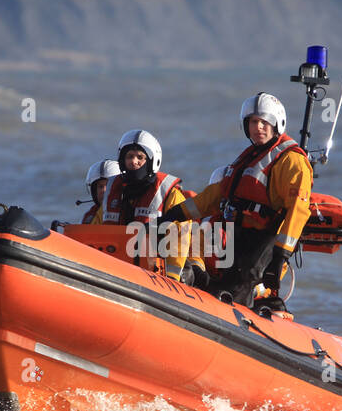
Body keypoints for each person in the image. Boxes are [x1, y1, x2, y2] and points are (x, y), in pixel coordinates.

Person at [162, 92, 313, 310]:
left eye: (263, 122)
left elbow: (298, 211)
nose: (258, 127)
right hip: (241, 236)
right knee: (223, 285)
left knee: (242, 284)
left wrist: (281, 255)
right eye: (253, 122)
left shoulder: (291, 160)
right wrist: (175, 214)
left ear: (276, 124)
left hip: (266, 239)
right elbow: (216, 195)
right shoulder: (250, 157)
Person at [100, 130, 191, 282]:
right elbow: (97, 227)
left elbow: (180, 235)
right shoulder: (113, 191)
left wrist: (172, 277)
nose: (133, 162)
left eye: (140, 157)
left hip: (156, 273)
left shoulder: (169, 194)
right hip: (117, 266)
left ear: (151, 161)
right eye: (129, 156)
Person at [80, 158, 118, 224]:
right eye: (100, 186)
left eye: (108, 185)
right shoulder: (89, 216)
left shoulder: (127, 212)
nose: (103, 190)